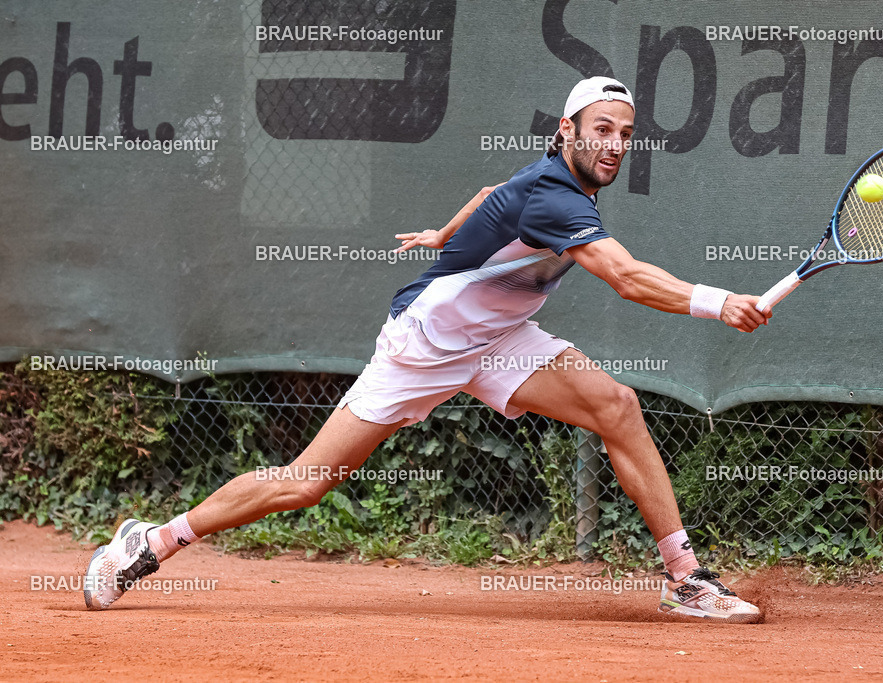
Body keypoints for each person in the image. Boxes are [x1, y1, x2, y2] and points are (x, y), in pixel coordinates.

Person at [85, 77, 771, 622]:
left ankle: (683, 579)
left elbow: (484, 194)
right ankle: (152, 540)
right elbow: (624, 278)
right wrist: (719, 301)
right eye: (601, 130)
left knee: (617, 405)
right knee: (304, 483)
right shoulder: (558, 197)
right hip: (423, 347)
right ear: (568, 131)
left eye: (624, 134)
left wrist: (443, 236)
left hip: (500, 341)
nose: (615, 144)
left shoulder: (549, 182)